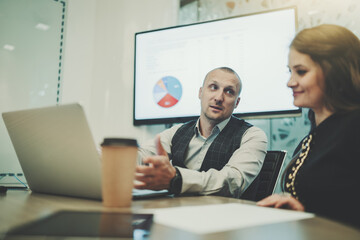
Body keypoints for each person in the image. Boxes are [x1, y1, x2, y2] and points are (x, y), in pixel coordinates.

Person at [257, 24, 360, 228]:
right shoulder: (317, 132)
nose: (290, 82)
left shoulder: (354, 126)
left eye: (301, 72)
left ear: (335, 72)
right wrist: (302, 209)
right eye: (290, 71)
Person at [135, 67, 268, 198]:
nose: (219, 97)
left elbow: (232, 182)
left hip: (227, 216)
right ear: (200, 92)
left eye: (229, 91)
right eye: (213, 87)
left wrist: (176, 178)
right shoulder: (177, 131)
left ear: (237, 102)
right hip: (178, 212)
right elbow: (142, 156)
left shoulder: (252, 136)